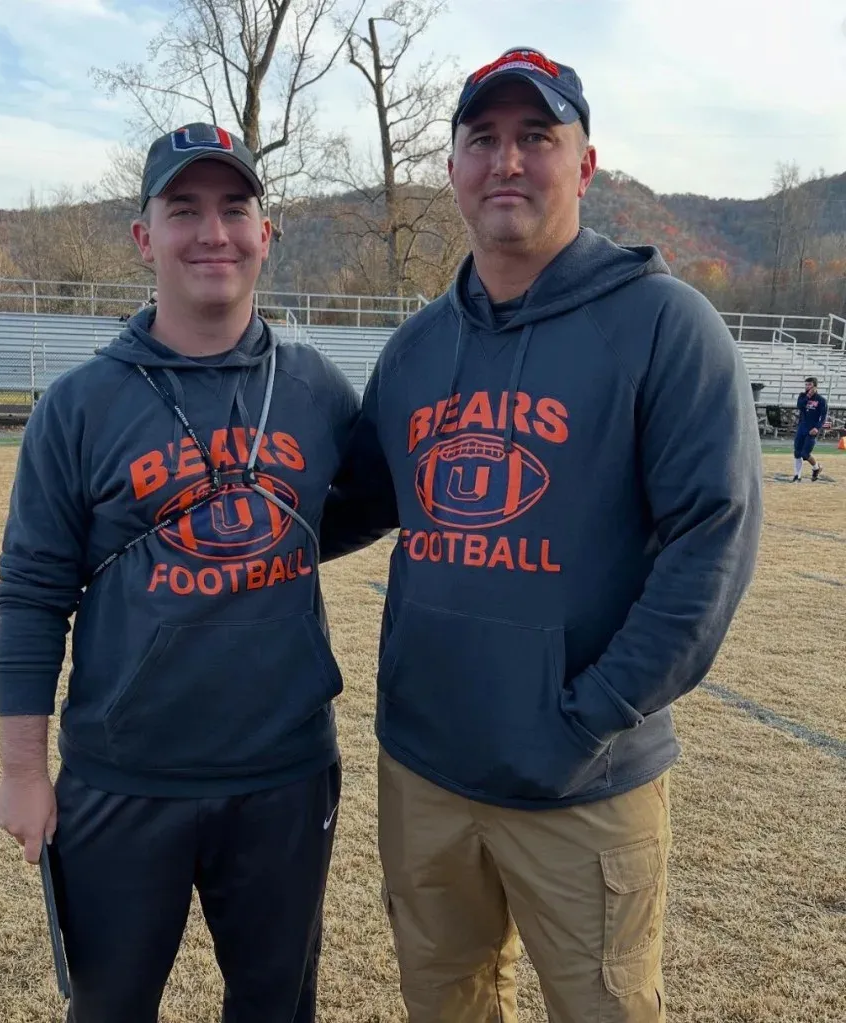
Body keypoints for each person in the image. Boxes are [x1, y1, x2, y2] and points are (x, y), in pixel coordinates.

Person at [321, 47, 763, 1022]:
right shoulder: (417, 348)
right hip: (425, 773)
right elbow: (344, 503)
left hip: (583, 785)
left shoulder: (665, 327)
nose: (507, 162)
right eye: (483, 140)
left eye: (536, 137)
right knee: (445, 1006)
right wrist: (192, 506)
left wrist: (589, 716)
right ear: (453, 170)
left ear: (585, 164)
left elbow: (712, 541)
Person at [0, 122, 359, 1023]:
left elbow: (359, 510)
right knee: (110, 1007)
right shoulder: (80, 405)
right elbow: (34, 594)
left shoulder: (317, 388)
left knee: (276, 1007)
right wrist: (23, 769)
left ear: (265, 234)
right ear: (143, 234)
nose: (213, 232)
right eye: (184, 209)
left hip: (283, 771)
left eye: (236, 209)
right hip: (125, 775)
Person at [792, 376, 826, 481]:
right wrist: (807, 396)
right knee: (797, 452)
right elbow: (800, 406)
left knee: (805, 454)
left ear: (815, 386)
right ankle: (797, 476)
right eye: (806, 384)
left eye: (809, 385)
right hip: (802, 427)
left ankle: (816, 467)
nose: (807, 387)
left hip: (812, 429)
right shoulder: (802, 396)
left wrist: (817, 427)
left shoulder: (821, 400)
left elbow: (823, 416)